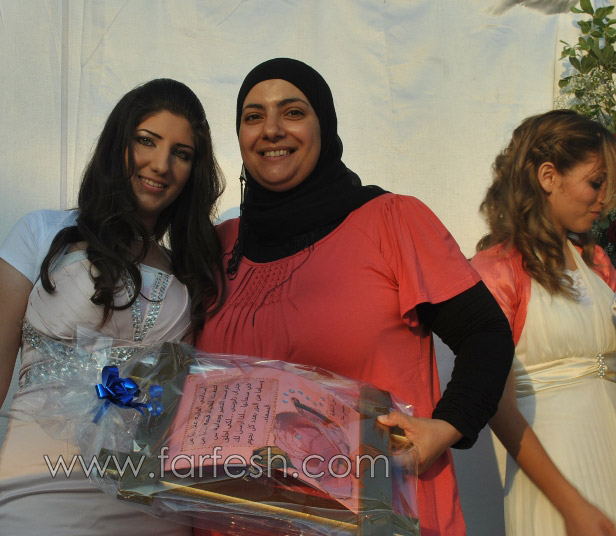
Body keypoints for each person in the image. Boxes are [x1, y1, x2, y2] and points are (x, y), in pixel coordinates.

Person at [195, 58, 514, 536]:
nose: (272, 129)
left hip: (379, 514)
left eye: (293, 112)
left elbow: (485, 333)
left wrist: (446, 427)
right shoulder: (217, 248)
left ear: (324, 125)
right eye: (253, 116)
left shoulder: (392, 221)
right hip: (238, 520)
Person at [0, 78, 225, 536]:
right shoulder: (39, 234)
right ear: (119, 144)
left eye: (182, 153)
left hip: (151, 507)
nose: (161, 164)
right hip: (40, 492)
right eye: (147, 140)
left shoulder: (189, 270)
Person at [472, 110, 616, 536]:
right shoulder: (496, 271)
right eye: (597, 182)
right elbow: (497, 406)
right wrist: (571, 506)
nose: (605, 199)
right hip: (555, 475)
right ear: (549, 176)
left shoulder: (597, 263)